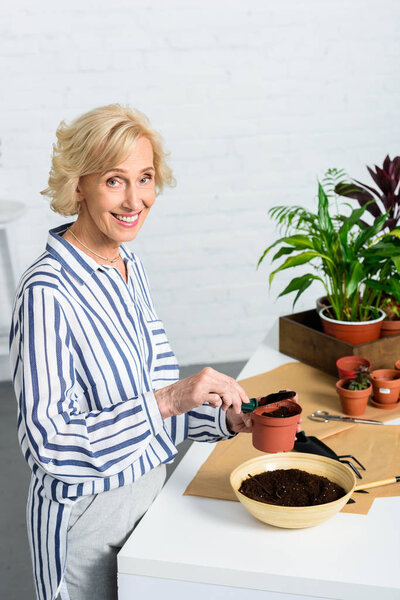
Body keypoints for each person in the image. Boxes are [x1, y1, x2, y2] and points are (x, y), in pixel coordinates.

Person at [9, 104, 254, 600]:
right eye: (115, 181)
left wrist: (226, 421)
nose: (136, 199)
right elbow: (51, 445)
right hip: (86, 521)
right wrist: (168, 399)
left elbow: (148, 400)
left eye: (145, 178)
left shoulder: (126, 265)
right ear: (79, 185)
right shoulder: (47, 292)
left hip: (149, 499)